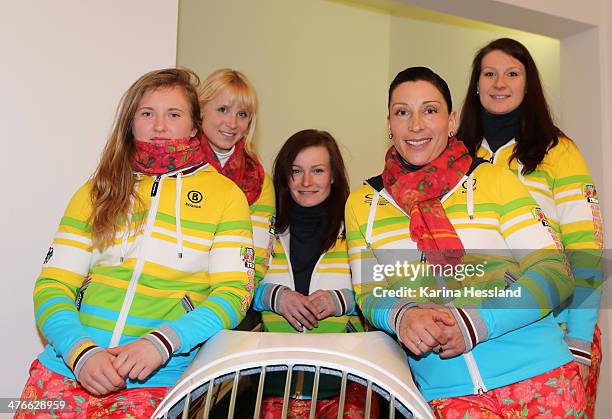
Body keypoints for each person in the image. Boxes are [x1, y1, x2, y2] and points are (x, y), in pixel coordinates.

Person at [345, 66, 586, 417]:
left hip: (541, 381)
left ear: (452, 120)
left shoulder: (494, 179)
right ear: (389, 124)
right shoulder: (362, 202)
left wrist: (475, 323)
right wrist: (402, 316)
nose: (415, 125)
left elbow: (554, 271)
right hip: (448, 396)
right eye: (402, 112)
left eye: (430, 110)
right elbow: (369, 293)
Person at [17, 68, 253, 418]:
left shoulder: (226, 196)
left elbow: (234, 294)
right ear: (131, 122)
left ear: (193, 125)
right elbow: (52, 285)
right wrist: (81, 353)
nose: (159, 126)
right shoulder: (97, 189)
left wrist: (161, 344)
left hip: (158, 382)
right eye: (147, 114)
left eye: (173, 114)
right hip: (66, 370)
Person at [457, 37, 603, 418]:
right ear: (475, 84)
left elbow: (586, 247)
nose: (499, 83)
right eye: (489, 73)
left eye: (512, 73)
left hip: (556, 332)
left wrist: (579, 337)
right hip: (477, 335)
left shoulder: (558, 151)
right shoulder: (455, 155)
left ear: (528, 84)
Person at [253, 129, 373, 418]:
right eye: (296, 171)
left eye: (317, 170)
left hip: (347, 389)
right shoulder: (261, 229)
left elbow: (381, 293)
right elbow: (234, 288)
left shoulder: (359, 228)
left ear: (333, 175)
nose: (307, 182)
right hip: (274, 389)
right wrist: (272, 296)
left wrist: (341, 301)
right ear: (284, 176)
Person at [199, 69, 275, 329]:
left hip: (233, 305)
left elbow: (258, 256)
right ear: (200, 111)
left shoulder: (259, 177)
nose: (232, 123)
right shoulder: (176, 165)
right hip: (172, 301)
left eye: (242, 114)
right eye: (222, 109)